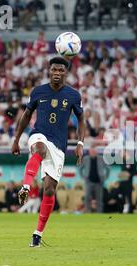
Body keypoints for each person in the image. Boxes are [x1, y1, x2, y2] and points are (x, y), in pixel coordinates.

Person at [11, 57, 85, 247]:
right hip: (39, 135)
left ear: (66, 73)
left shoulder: (74, 95)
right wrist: (16, 140)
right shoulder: (38, 91)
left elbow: (81, 120)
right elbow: (26, 115)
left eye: (61, 71)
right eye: (54, 70)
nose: (57, 73)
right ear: (49, 71)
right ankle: (26, 186)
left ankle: (37, 234)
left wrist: (80, 144)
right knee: (40, 149)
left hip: (59, 145)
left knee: (50, 189)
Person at [80, 145, 110, 213]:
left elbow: (108, 168)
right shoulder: (85, 159)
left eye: (94, 151)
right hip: (89, 181)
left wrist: (105, 177)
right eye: (91, 151)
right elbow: (80, 169)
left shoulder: (101, 158)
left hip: (99, 182)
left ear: (96, 152)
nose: (93, 152)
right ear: (89, 152)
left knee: (99, 198)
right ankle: (88, 211)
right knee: (87, 197)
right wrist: (83, 177)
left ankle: (99, 212)